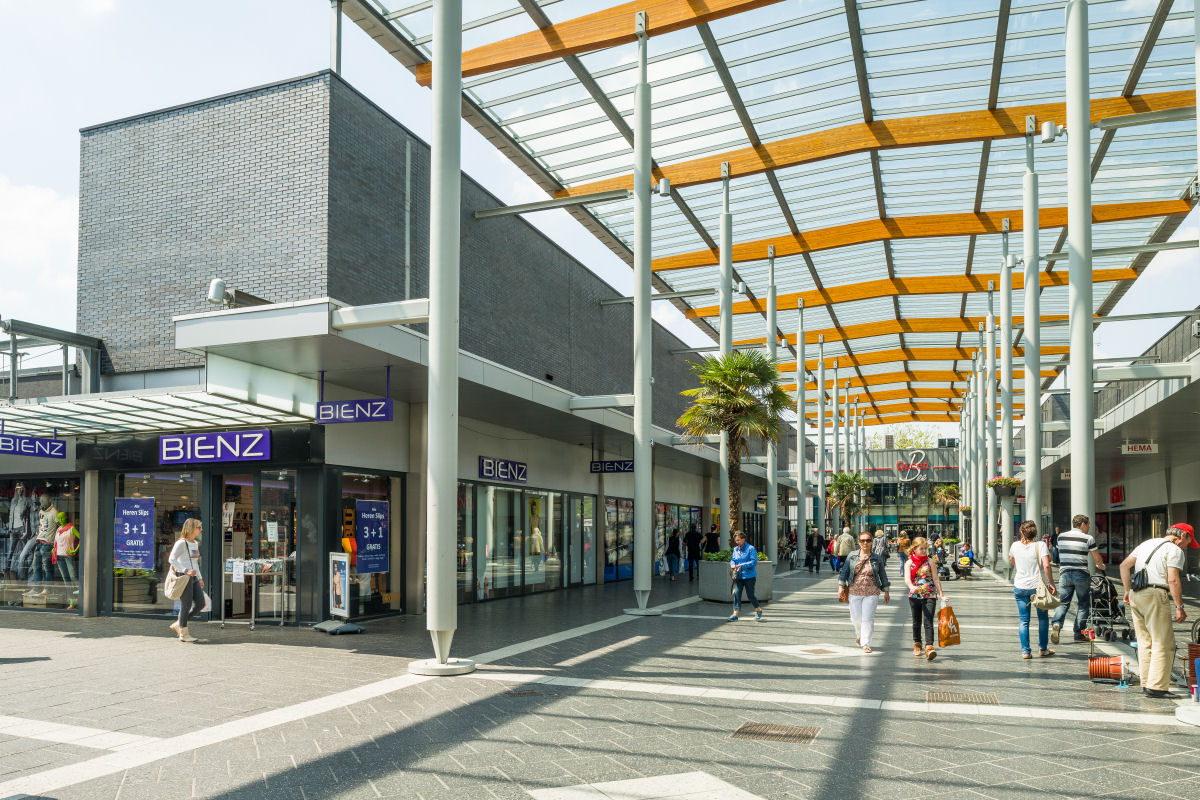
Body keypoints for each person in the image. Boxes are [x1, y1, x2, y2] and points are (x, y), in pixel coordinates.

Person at [1119, 523, 1190, 698]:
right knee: (1163, 642)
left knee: (1145, 641)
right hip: (1155, 594)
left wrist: (1127, 591)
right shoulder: (1175, 550)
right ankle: (1157, 687)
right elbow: (1173, 579)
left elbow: (1123, 566)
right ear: (1181, 536)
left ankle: (1147, 682)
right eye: (1189, 541)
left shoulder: (1146, 543)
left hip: (1137, 594)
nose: (1187, 546)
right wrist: (1179, 607)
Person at [1050, 514, 1106, 645]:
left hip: (1064, 573)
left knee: (1063, 603)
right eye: (1088, 524)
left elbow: (1060, 553)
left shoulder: (1061, 537)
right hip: (1081, 574)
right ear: (1083, 524)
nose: (1089, 527)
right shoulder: (1088, 538)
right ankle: (1079, 633)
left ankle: (1057, 623)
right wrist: (1101, 565)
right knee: (1083, 604)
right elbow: (1097, 558)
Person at [1009, 520, 1057, 659]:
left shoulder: (1015, 545)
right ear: (1035, 533)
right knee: (1042, 619)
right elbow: (1046, 565)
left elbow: (1012, 561)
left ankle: (1026, 651)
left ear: (1021, 532)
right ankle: (1042, 649)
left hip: (1020, 587)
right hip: (1038, 588)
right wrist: (1051, 583)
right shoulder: (1040, 545)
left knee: (1024, 620)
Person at [838, 530, 891, 653]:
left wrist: (886, 591)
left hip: (871, 591)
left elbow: (883, 575)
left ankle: (866, 643)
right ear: (858, 542)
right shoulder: (852, 556)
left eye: (868, 540)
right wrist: (841, 587)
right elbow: (844, 572)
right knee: (856, 618)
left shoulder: (876, 558)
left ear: (872, 541)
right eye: (862, 540)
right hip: (854, 591)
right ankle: (859, 634)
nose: (865, 543)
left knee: (868, 618)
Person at [904, 537, 945, 660]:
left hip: (930, 594)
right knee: (916, 621)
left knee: (928, 620)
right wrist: (911, 587)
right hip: (914, 595)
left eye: (925, 549)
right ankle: (917, 644)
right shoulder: (909, 563)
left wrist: (941, 594)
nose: (923, 551)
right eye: (921, 549)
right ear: (914, 549)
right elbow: (907, 579)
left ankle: (929, 646)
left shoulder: (930, 561)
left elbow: (936, 578)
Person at [168, 518, 205, 643]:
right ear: (191, 528)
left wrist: (199, 578)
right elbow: (171, 559)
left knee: (200, 603)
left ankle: (179, 623)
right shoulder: (181, 543)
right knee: (186, 605)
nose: (201, 530)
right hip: (184, 577)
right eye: (199, 527)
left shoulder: (194, 543)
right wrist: (185, 570)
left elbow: (195, 562)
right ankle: (183, 634)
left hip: (193, 577)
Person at [727, 530, 762, 622]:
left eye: (738, 540)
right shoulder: (735, 549)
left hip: (749, 576)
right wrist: (732, 564)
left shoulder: (750, 548)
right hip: (739, 576)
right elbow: (733, 559)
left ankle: (758, 609)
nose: (736, 542)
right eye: (736, 540)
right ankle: (735, 614)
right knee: (737, 594)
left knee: (750, 595)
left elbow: (754, 562)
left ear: (743, 539)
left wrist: (743, 565)